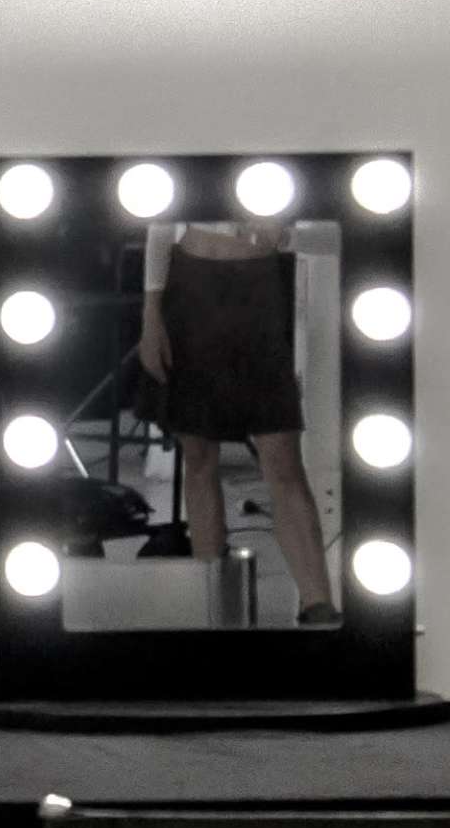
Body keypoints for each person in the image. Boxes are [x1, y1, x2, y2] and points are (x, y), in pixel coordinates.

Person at [135, 219, 336, 625]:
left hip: (259, 284)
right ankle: (212, 598)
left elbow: (326, 225)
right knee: (199, 456)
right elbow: (160, 224)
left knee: (281, 455)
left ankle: (318, 603)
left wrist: (287, 232)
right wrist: (151, 314)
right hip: (190, 281)